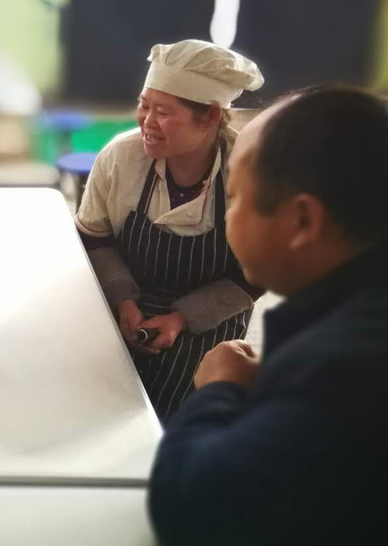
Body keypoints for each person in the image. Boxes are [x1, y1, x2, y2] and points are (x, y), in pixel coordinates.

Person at [149, 86, 388, 545]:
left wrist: (219, 390)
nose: (229, 215)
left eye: (237, 196)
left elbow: (192, 508)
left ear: (302, 221)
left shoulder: (343, 366)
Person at [76, 39, 265, 421]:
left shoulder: (248, 171)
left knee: (179, 416)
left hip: (210, 319)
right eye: (144, 105)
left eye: (163, 112)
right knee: (92, 396)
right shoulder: (121, 157)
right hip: (122, 299)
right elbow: (95, 236)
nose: (146, 121)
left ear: (210, 117)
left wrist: (182, 319)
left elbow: (256, 273)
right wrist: (123, 301)